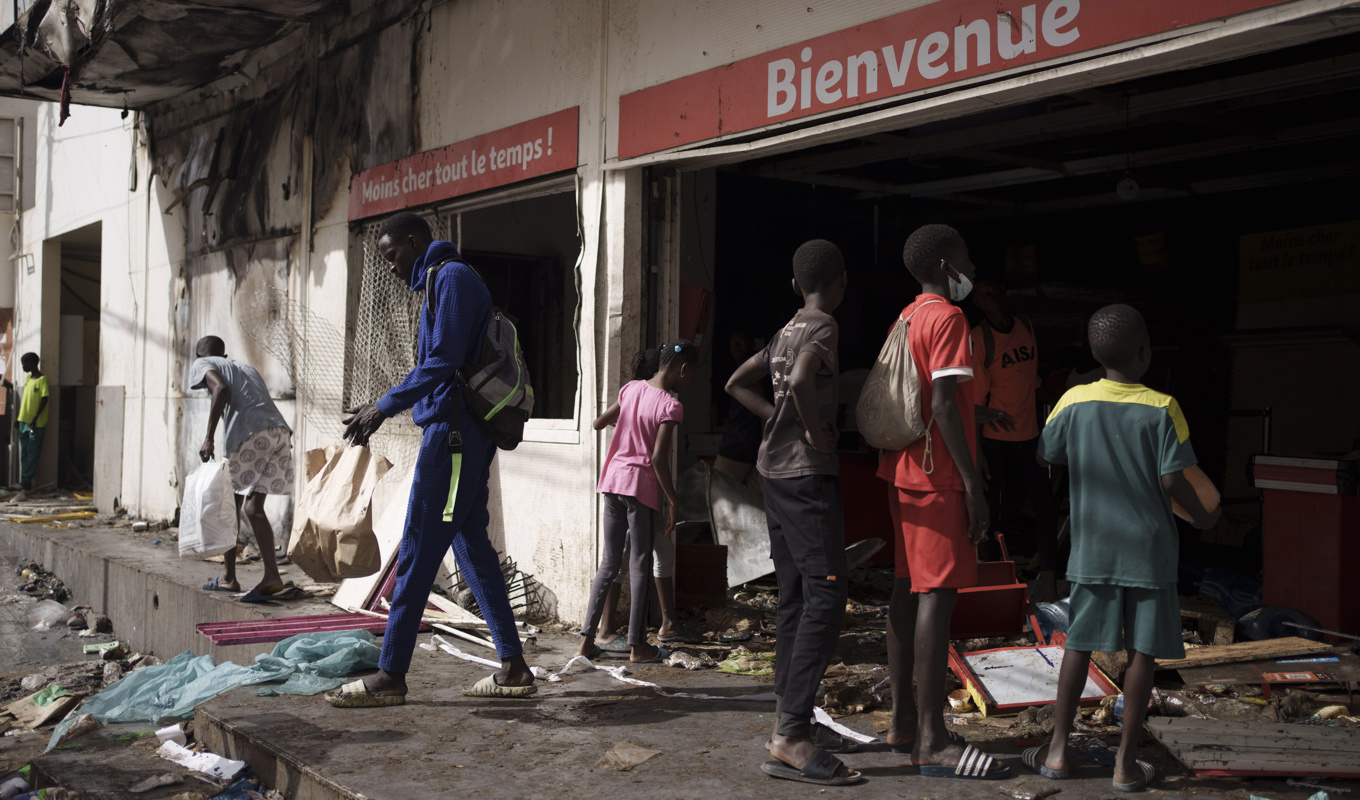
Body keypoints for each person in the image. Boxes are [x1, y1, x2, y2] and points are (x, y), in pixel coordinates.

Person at [330, 212, 534, 706]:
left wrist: (383, 406)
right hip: (457, 433)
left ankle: (391, 674)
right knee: (471, 548)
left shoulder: (452, 277)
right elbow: (437, 363)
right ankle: (513, 667)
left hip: (454, 438)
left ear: (416, 241)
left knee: (419, 549)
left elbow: (440, 363)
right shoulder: (444, 282)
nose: (393, 267)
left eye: (393, 255)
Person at [1026, 304, 1219, 792]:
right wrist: (1205, 516)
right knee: (1142, 655)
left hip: (1093, 549)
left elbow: (1047, 453)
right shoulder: (1162, 406)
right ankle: (1125, 765)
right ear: (1143, 352)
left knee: (1078, 647)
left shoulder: (1072, 401)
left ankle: (1056, 753)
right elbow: (1173, 478)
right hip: (1149, 552)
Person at [877, 224, 1010, 780]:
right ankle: (931, 739)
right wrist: (974, 486)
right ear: (941, 263)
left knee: (908, 591)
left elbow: (936, 399)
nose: (972, 270)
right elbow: (944, 405)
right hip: (937, 476)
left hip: (902, 469)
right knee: (938, 595)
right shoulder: (949, 318)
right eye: (966, 259)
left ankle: (904, 722)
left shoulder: (907, 315)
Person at [727, 239, 861, 787]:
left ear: (794, 285)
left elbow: (736, 383)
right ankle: (791, 735)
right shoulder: (822, 327)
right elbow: (804, 379)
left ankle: (790, 713)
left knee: (796, 593)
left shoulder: (783, 331)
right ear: (841, 282)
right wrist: (807, 426)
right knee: (827, 592)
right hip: (806, 475)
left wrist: (774, 418)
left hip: (772, 472)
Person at [578, 341, 697, 663]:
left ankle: (587, 641)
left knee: (609, 562)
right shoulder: (670, 406)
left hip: (612, 481)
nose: (687, 382)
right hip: (639, 489)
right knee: (640, 564)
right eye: (689, 376)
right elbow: (658, 458)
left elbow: (598, 423)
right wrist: (673, 501)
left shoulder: (631, 389)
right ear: (682, 370)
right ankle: (637, 646)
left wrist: (628, 427)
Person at [970, 276, 1060, 601]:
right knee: (995, 515)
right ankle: (993, 586)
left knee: (1046, 510)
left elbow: (1032, 381)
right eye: (982, 293)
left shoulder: (1025, 325)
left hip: (1031, 439)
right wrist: (978, 453)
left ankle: (1048, 584)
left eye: (993, 288)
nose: (989, 295)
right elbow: (975, 406)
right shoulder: (979, 339)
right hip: (996, 442)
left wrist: (1061, 403)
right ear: (976, 302)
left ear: (1003, 291)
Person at [190, 337, 295, 602]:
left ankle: (228, 578)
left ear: (197, 356)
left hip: (248, 434)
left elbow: (220, 389)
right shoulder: (245, 367)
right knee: (253, 508)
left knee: (229, 507)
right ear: (224, 354)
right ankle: (272, 575)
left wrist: (209, 437)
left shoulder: (202, 364)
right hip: (278, 432)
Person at [713, 330, 763, 489]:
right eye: (733, 342)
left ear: (751, 345)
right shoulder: (746, 368)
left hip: (739, 444)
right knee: (755, 499)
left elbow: (761, 404)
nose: (736, 346)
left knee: (717, 493)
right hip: (752, 446)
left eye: (741, 342)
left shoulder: (751, 369)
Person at [13, 353, 49, 498]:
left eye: (24, 364)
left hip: (36, 423)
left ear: (31, 364)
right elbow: (26, 400)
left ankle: (27, 480)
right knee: (25, 452)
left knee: (33, 453)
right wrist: (19, 418)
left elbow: (44, 398)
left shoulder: (42, 380)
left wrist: (35, 416)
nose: (23, 367)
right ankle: (24, 480)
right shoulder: (28, 379)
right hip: (23, 421)